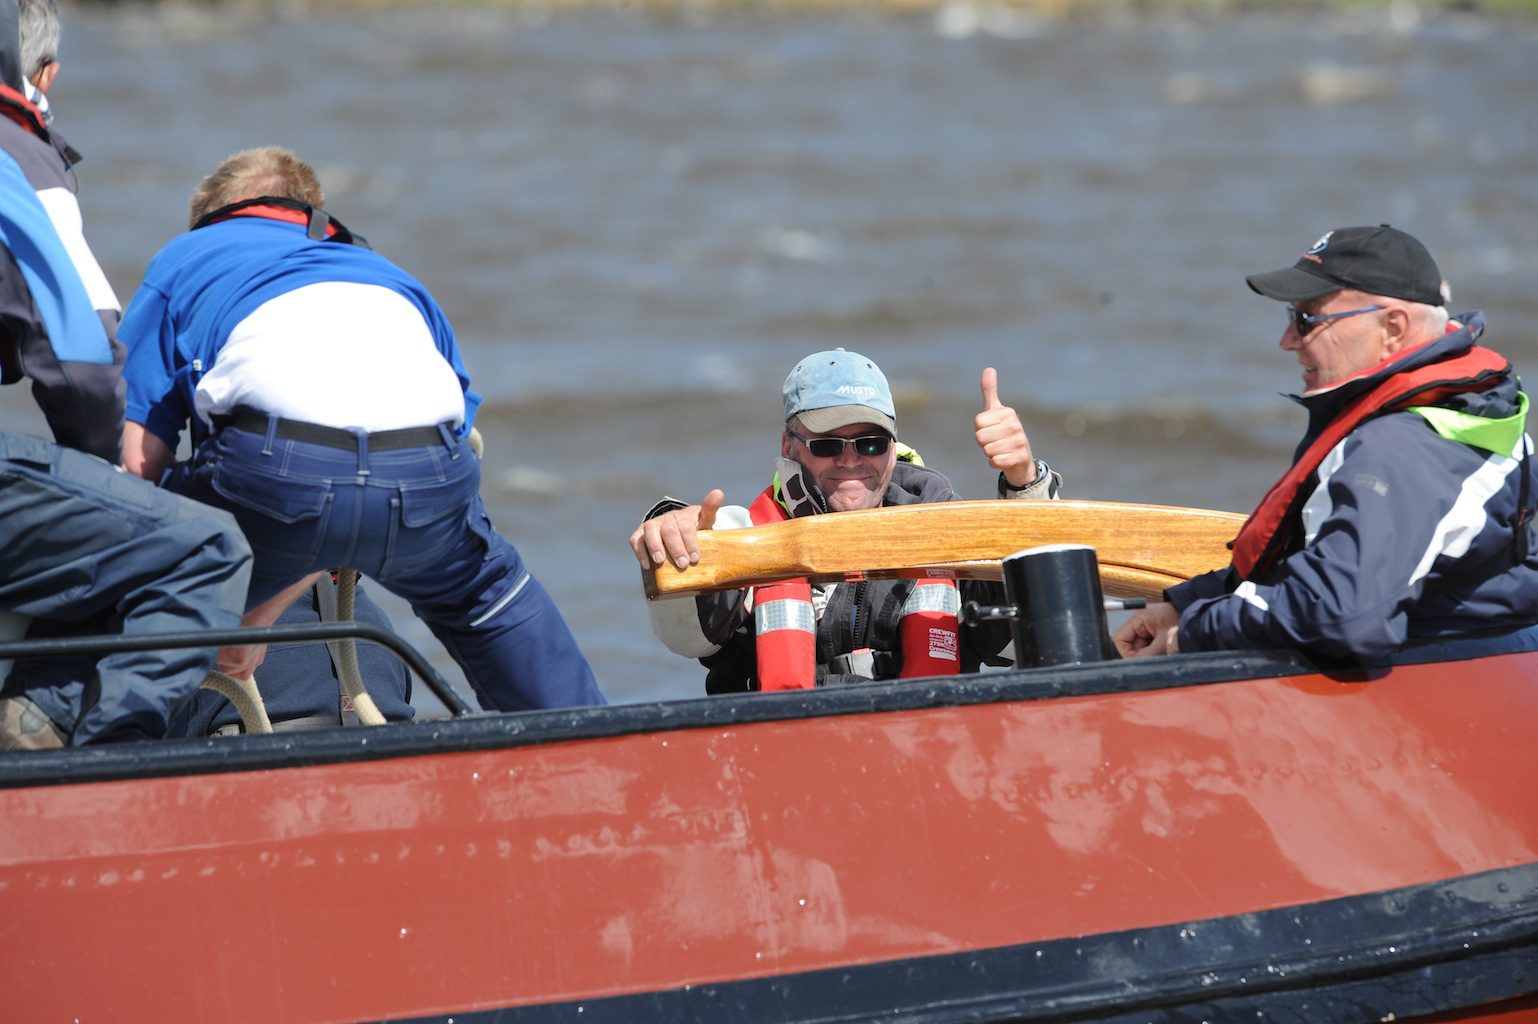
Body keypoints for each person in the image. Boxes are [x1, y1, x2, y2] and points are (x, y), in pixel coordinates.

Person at [119, 145, 606, 719]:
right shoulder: (391, 277)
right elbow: (456, 430)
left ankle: (102, 757)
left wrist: (250, 606)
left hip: (275, 473)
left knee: (129, 549)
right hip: (424, 472)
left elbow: (137, 465)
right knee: (485, 592)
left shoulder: (185, 256)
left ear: (210, 217)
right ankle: (594, 743)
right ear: (314, 215)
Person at [0, 4, 253, 747]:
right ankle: (99, 773)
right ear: (40, 75)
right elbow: (82, 367)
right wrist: (101, 466)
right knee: (203, 547)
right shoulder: (18, 155)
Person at [1114, 224, 1538, 664]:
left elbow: (1342, 617)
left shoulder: (1401, 448)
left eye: (1307, 320)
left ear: (1392, 327)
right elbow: (1322, 565)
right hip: (1489, 653)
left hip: (1449, 674)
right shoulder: (1461, 408)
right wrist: (1186, 604)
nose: (1287, 341)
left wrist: (1192, 634)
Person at [629, 347, 1062, 692]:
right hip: (782, 768)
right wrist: (671, 537)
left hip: (924, 760)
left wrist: (1023, 483)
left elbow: (1029, 638)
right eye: (828, 445)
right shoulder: (743, 535)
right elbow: (689, 636)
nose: (851, 460)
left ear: (893, 446)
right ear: (789, 445)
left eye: (870, 443)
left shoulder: (949, 531)